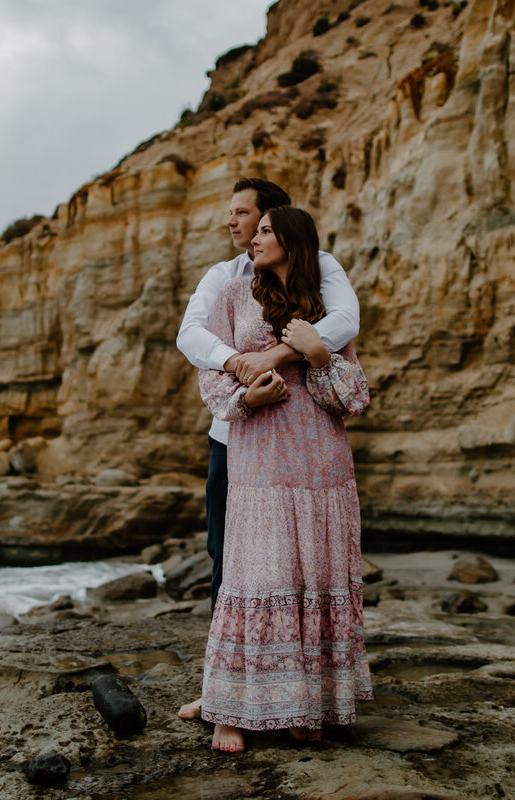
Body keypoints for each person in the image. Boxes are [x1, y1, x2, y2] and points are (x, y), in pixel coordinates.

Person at [175, 178, 360, 721]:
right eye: (234, 217)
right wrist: (240, 366)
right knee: (229, 561)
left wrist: (281, 353)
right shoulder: (225, 280)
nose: (235, 226)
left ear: (276, 220)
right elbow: (192, 337)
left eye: (247, 216)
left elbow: (344, 324)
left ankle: (300, 695)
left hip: (309, 453)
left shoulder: (321, 268)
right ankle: (227, 689)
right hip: (235, 441)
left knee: (304, 571)